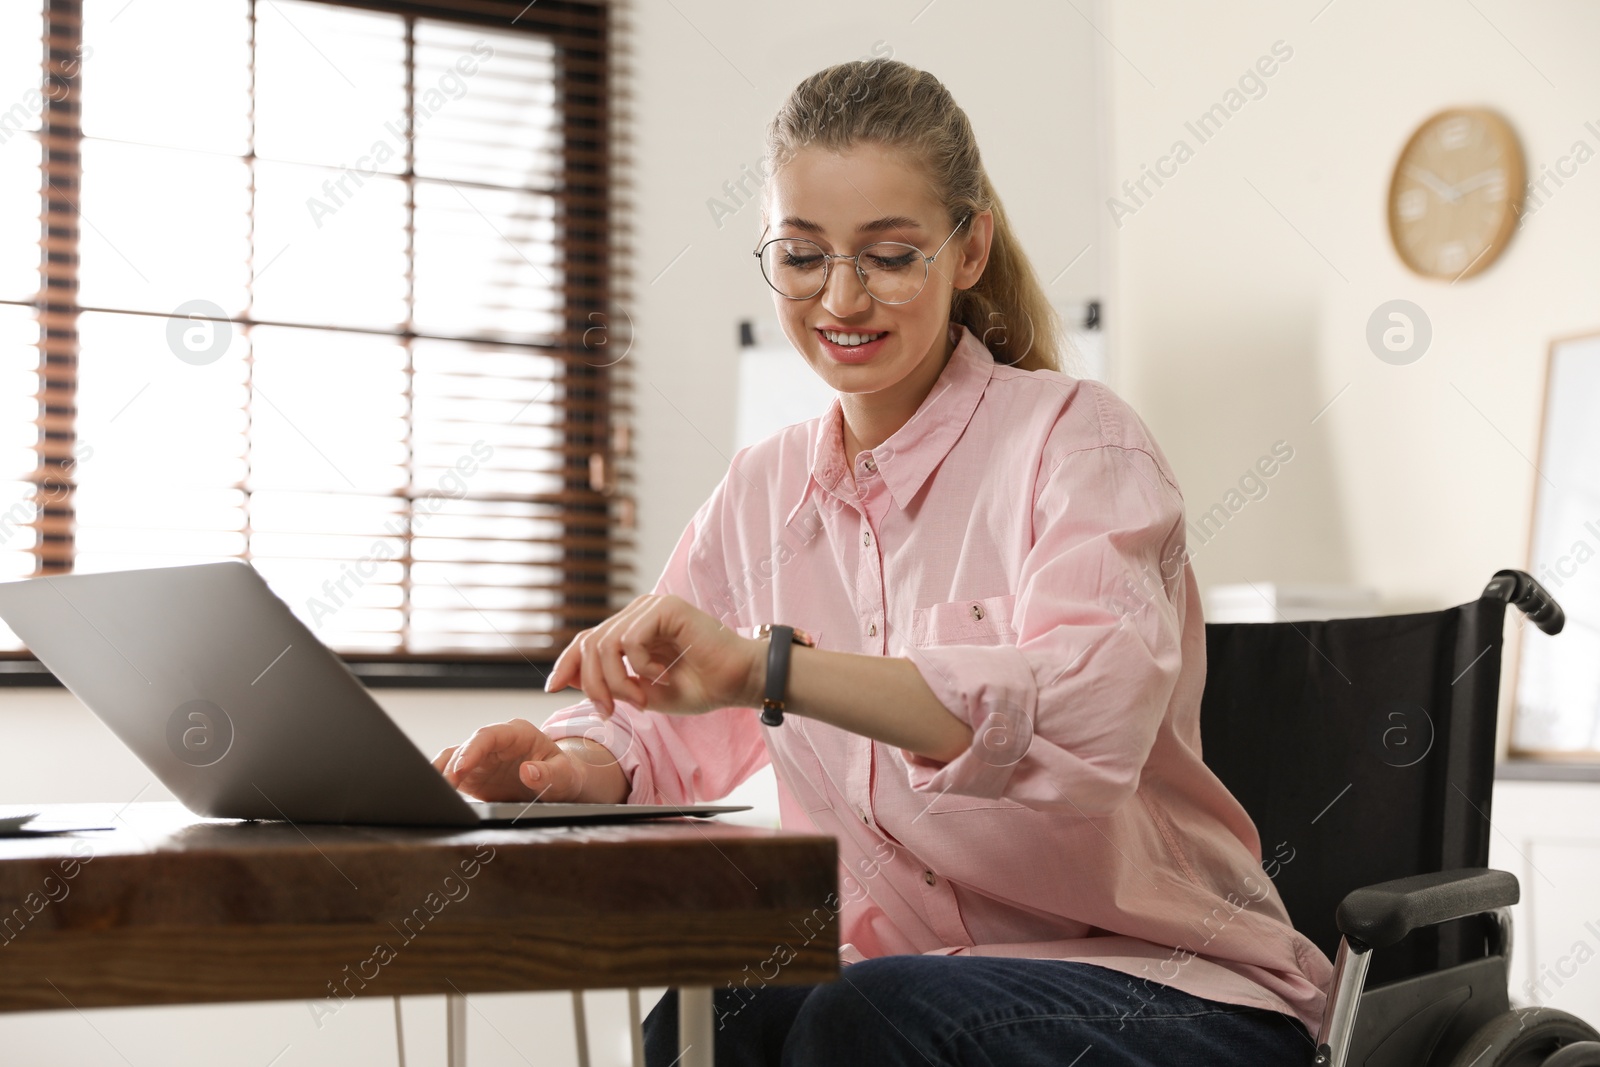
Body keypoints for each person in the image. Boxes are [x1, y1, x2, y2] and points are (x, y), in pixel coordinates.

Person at [434, 58, 1334, 1067]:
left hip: (1167, 989)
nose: (842, 296)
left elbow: (1090, 716)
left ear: (969, 247)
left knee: (860, 1015)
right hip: (907, 984)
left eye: (890, 254)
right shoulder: (763, 489)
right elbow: (666, 732)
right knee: (707, 1015)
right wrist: (568, 766)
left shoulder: (1079, 445)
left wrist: (768, 669)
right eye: (804, 255)